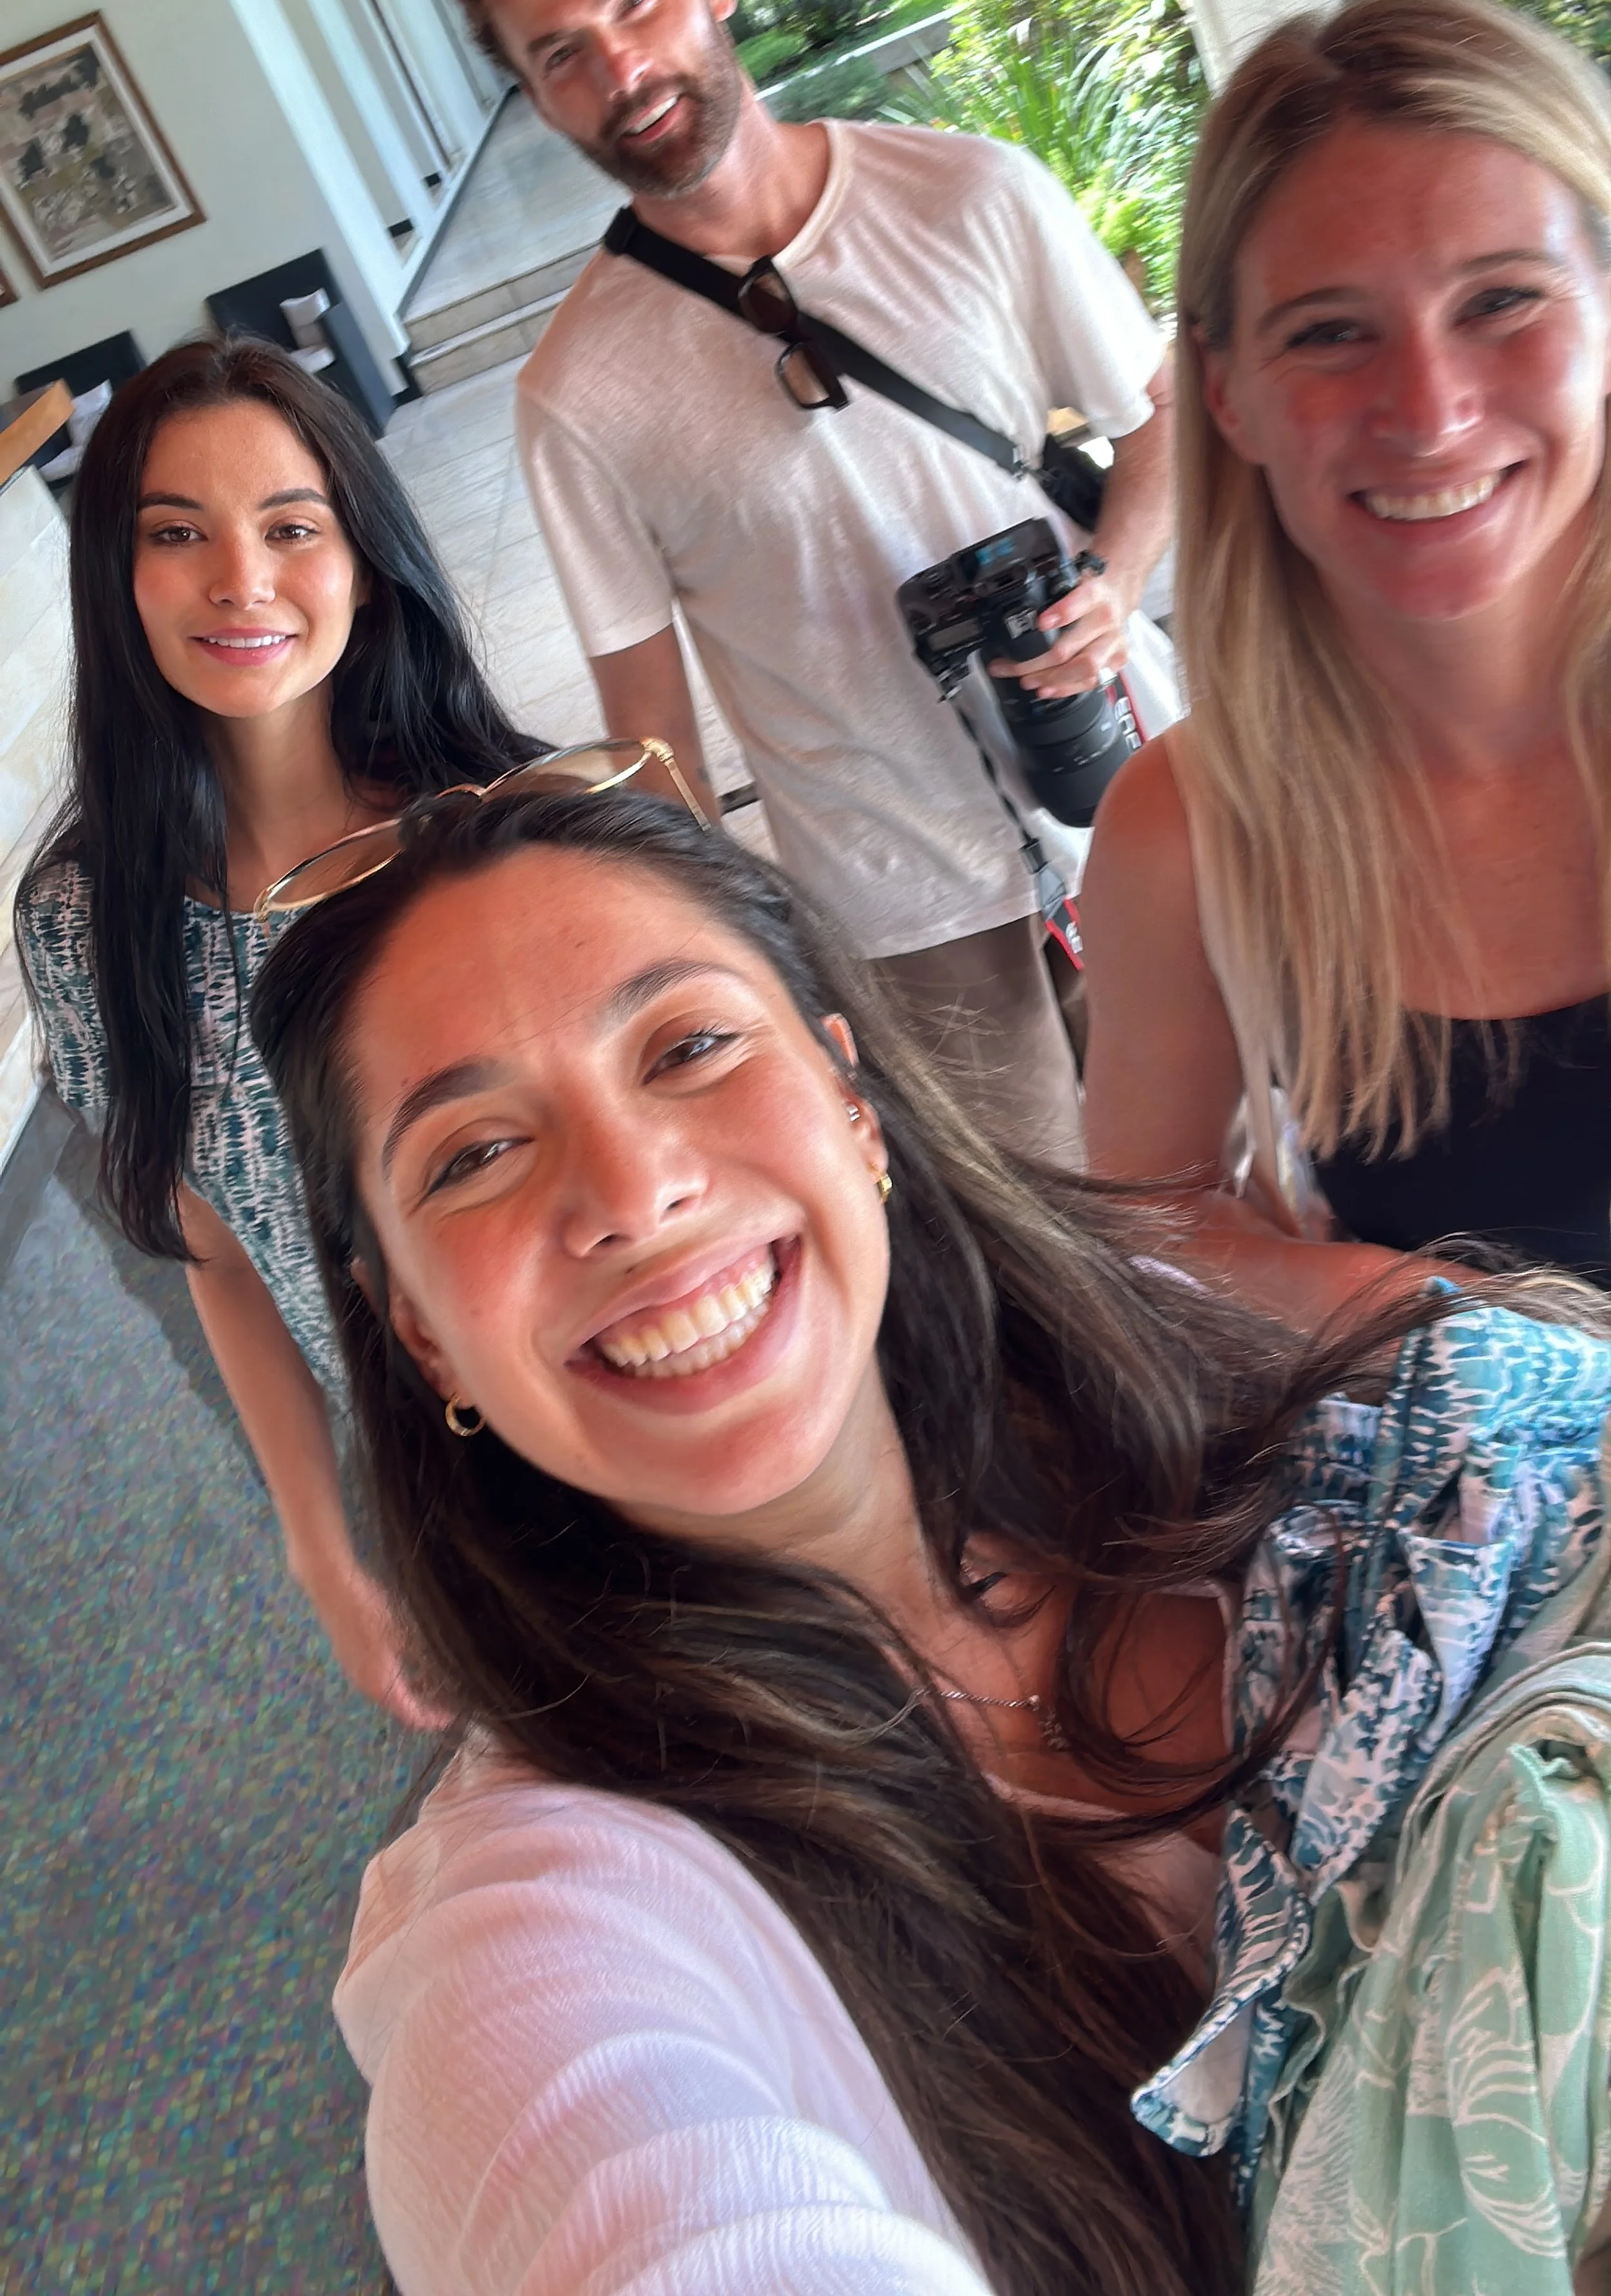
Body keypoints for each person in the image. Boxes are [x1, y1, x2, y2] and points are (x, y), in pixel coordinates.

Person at [251, 784, 1611, 2295]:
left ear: (852, 1101)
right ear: (418, 1336)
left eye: (688, 1046)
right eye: (475, 1153)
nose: (633, 1193)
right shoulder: (542, 1922)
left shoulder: (1253, 1385)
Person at [441, 0, 1176, 1168]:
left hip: (1140, 785)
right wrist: (715, 974)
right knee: (1062, 1264)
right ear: (535, 102)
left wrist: (1114, 583)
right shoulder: (575, 396)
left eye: (633, 0)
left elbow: (1157, 418)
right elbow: (651, 737)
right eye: (559, 54)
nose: (620, 68)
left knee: (1258, 1141)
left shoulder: (970, 195)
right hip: (901, 911)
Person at [15, 339, 548, 1721]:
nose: (239, 581)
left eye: (290, 527)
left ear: (362, 559)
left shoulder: (495, 837)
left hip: (622, 1386)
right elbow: (221, 1252)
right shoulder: (87, 920)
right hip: (432, 1491)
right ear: (114, 581)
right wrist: (323, 1550)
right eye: (175, 533)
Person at [1081, 0, 1611, 1322]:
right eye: (1327, 331)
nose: (1428, 415)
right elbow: (1149, 1227)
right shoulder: (1187, 834)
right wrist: (1422, 1307)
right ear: (1224, 393)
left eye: (1499, 298)